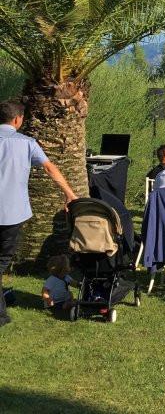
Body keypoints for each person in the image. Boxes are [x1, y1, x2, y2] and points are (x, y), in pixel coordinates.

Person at [0, 101, 77, 327]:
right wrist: (69, 194)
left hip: (12, 213)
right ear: (17, 119)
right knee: (2, 260)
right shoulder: (26, 144)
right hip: (12, 214)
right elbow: (49, 168)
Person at [41, 254, 78, 319]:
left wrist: (80, 284)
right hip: (54, 302)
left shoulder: (66, 277)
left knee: (70, 295)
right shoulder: (52, 279)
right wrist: (48, 299)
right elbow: (44, 291)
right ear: (63, 269)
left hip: (64, 299)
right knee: (65, 305)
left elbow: (74, 283)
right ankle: (72, 304)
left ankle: (73, 303)